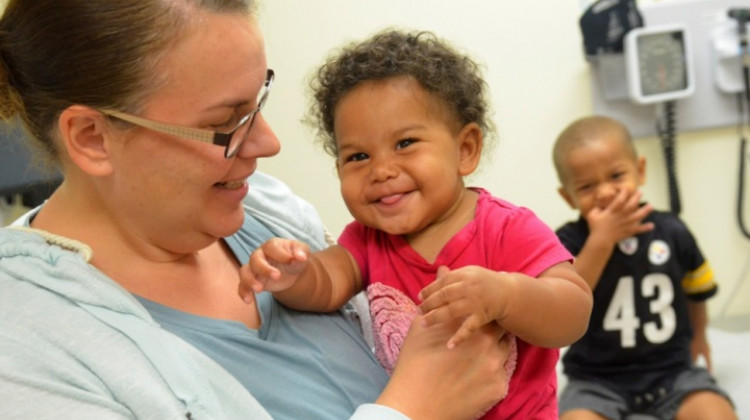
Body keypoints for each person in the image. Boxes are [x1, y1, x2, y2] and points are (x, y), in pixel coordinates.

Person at [0, 1, 515, 419]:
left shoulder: (267, 209)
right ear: (92, 138)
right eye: (228, 122)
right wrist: (412, 411)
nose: (268, 144)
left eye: (257, 103)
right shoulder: (25, 350)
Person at [240, 29, 593, 419]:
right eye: (358, 156)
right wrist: (293, 274)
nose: (382, 170)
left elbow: (573, 311)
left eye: (405, 143)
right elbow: (326, 285)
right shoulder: (367, 239)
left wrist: (506, 296)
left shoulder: (506, 228)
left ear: (465, 149)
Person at [552, 115, 737, 420]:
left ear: (639, 171)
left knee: (716, 412)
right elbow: (567, 298)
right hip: (596, 379)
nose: (606, 192)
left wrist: (700, 335)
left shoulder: (672, 231)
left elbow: (697, 289)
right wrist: (602, 240)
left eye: (616, 176)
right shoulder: (567, 241)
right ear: (568, 196)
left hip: (673, 373)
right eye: (587, 186)